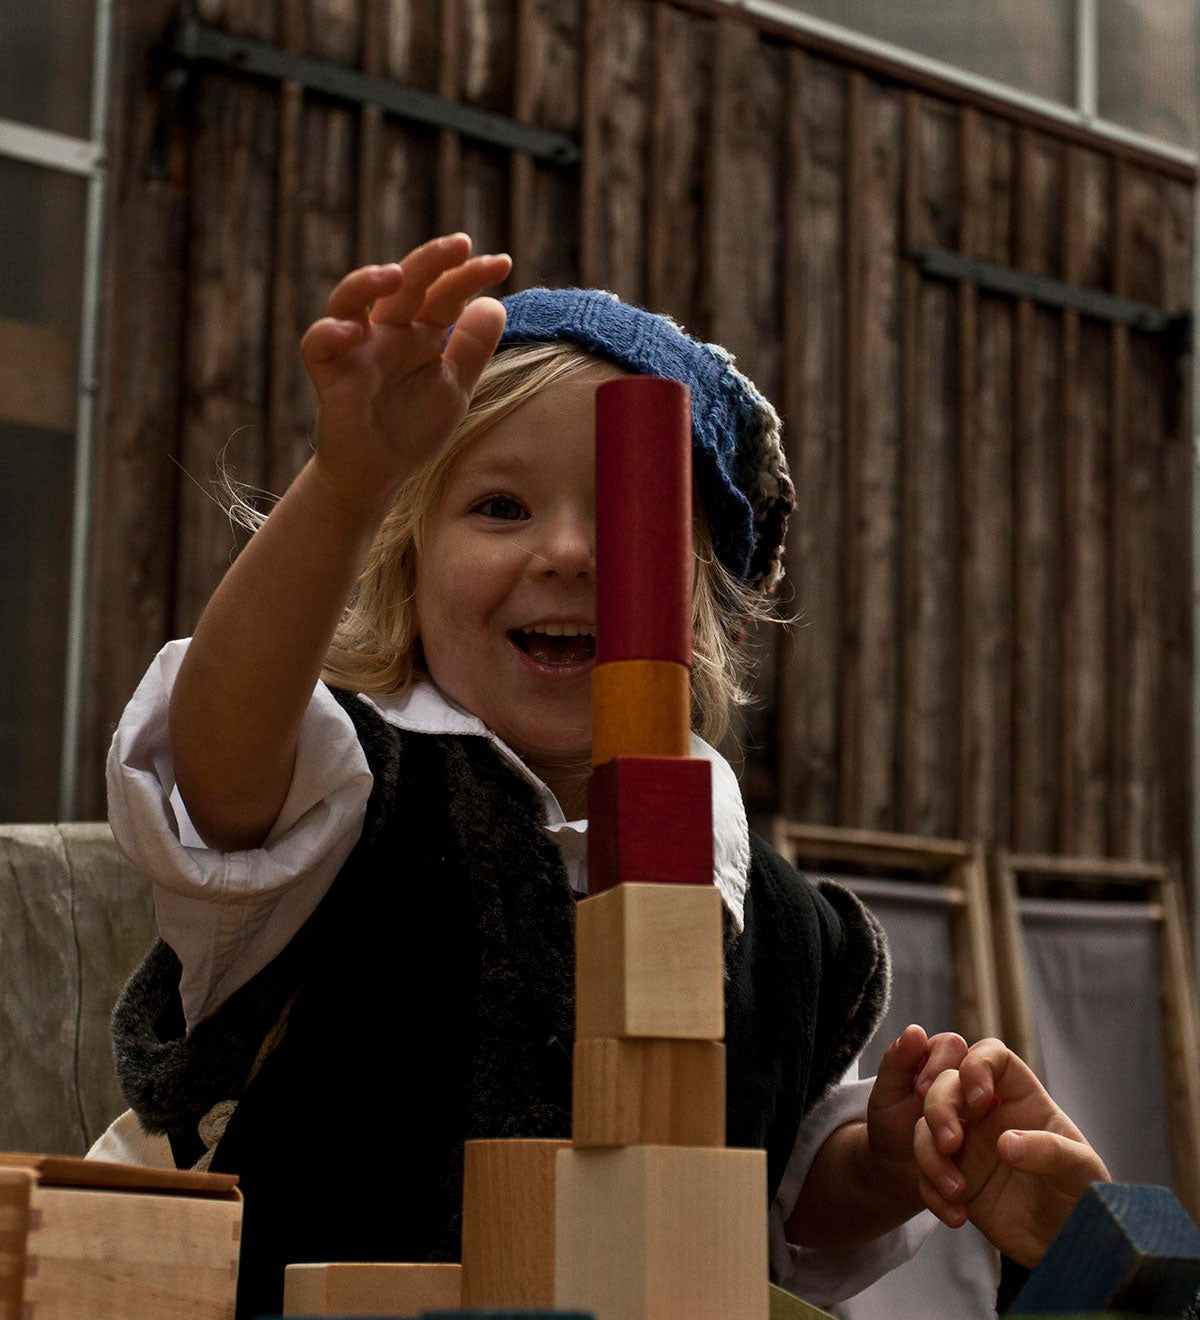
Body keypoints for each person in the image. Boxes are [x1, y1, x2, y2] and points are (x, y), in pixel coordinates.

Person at [99, 233, 1108, 1318]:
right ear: (405, 557)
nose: (569, 554)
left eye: (629, 517)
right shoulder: (345, 782)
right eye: (501, 507)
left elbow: (774, 1181)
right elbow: (222, 751)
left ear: (708, 605)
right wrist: (346, 484)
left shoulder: (770, 913)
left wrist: (903, 1156)